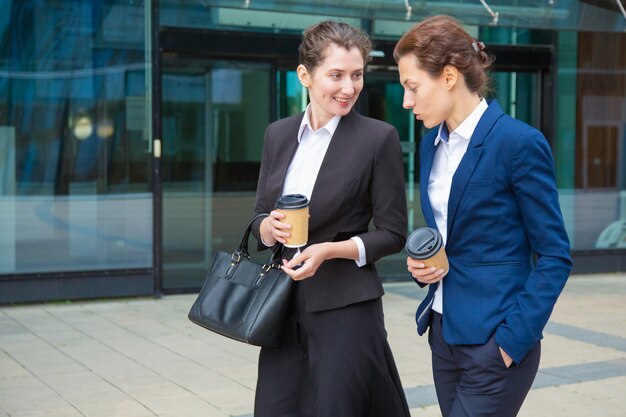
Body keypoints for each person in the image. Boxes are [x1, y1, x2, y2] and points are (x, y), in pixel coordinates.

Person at [394, 15, 573, 417]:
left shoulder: (518, 143)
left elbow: (555, 255)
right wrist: (425, 266)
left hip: (496, 341)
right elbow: (452, 234)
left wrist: (512, 342)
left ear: (449, 76)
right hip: (443, 334)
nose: (406, 101)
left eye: (412, 87)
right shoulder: (430, 146)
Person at [250, 21, 411, 417]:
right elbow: (258, 214)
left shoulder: (378, 138)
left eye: (356, 75)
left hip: (346, 311)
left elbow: (393, 233)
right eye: (336, 75)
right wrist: (267, 228)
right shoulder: (278, 134)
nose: (348, 87)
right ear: (304, 75)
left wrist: (331, 250)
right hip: (282, 311)